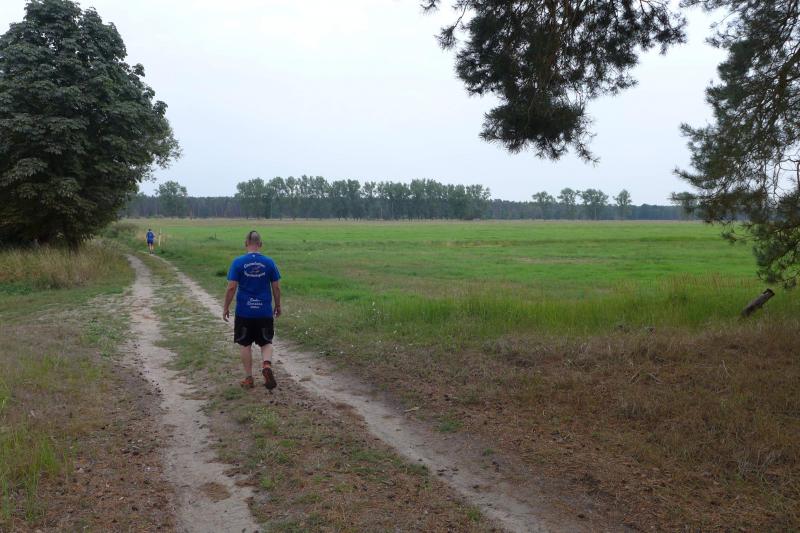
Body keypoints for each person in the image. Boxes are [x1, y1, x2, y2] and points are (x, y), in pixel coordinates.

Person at [223, 230, 282, 390]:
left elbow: (231, 287)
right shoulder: (269, 262)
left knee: (245, 344)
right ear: (260, 244)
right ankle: (267, 365)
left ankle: (249, 378)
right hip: (264, 312)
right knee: (266, 342)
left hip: (244, 312)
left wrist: (226, 307)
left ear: (246, 244)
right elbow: (276, 287)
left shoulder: (237, 262)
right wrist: (277, 305)